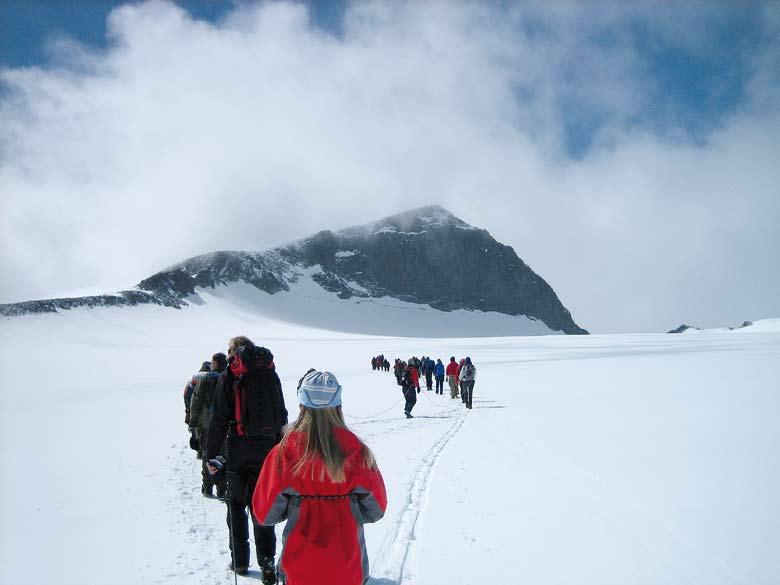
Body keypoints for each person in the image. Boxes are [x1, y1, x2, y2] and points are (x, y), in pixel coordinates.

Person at [253, 370, 386, 585]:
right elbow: (376, 509)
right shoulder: (358, 452)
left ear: (302, 406)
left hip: (298, 570)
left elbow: (264, 513)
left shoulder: (283, 453)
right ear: (338, 406)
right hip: (349, 569)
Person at [206, 336, 288, 583]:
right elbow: (282, 412)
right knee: (262, 506)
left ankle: (240, 562)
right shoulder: (270, 373)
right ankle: (267, 563)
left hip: (239, 449)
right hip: (267, 450)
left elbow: (219, 419)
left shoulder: (230, 375)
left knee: (236, 504)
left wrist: (212, 455)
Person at [189, 352, 228, 498]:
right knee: (223, 454)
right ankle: (222, 488)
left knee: (207, 454)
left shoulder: (206, 379)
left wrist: (193, 423)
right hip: (225, 425)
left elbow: (196, 401)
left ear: (215, 363)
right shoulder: (229, 379)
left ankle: (207, 487)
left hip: (207, 425)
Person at [184, 361, 211, 458]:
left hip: (194, 411)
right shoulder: (211, 378)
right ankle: (206, 453)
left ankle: (199, 452)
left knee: (196, 432)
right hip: (207, 412)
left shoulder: (192, 381)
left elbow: (186, 395)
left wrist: (188, 411)